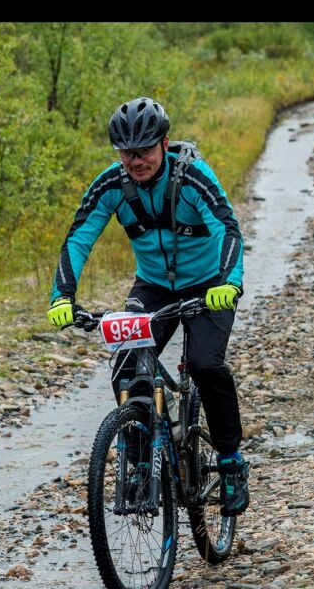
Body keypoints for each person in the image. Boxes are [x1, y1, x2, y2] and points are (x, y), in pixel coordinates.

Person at [47, 97, 250, 515]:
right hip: (154, 286)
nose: (136, 160)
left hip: (210, 285)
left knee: (205, 364)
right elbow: (79, 237)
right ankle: (140, 462)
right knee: (126, 364)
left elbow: (226, 228)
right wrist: (62, 296)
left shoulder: (193, 176)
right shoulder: (111, 185)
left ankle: (231, 463)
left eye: (144, 150)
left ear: (165, 143)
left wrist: (229, 283)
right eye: (127, 152)